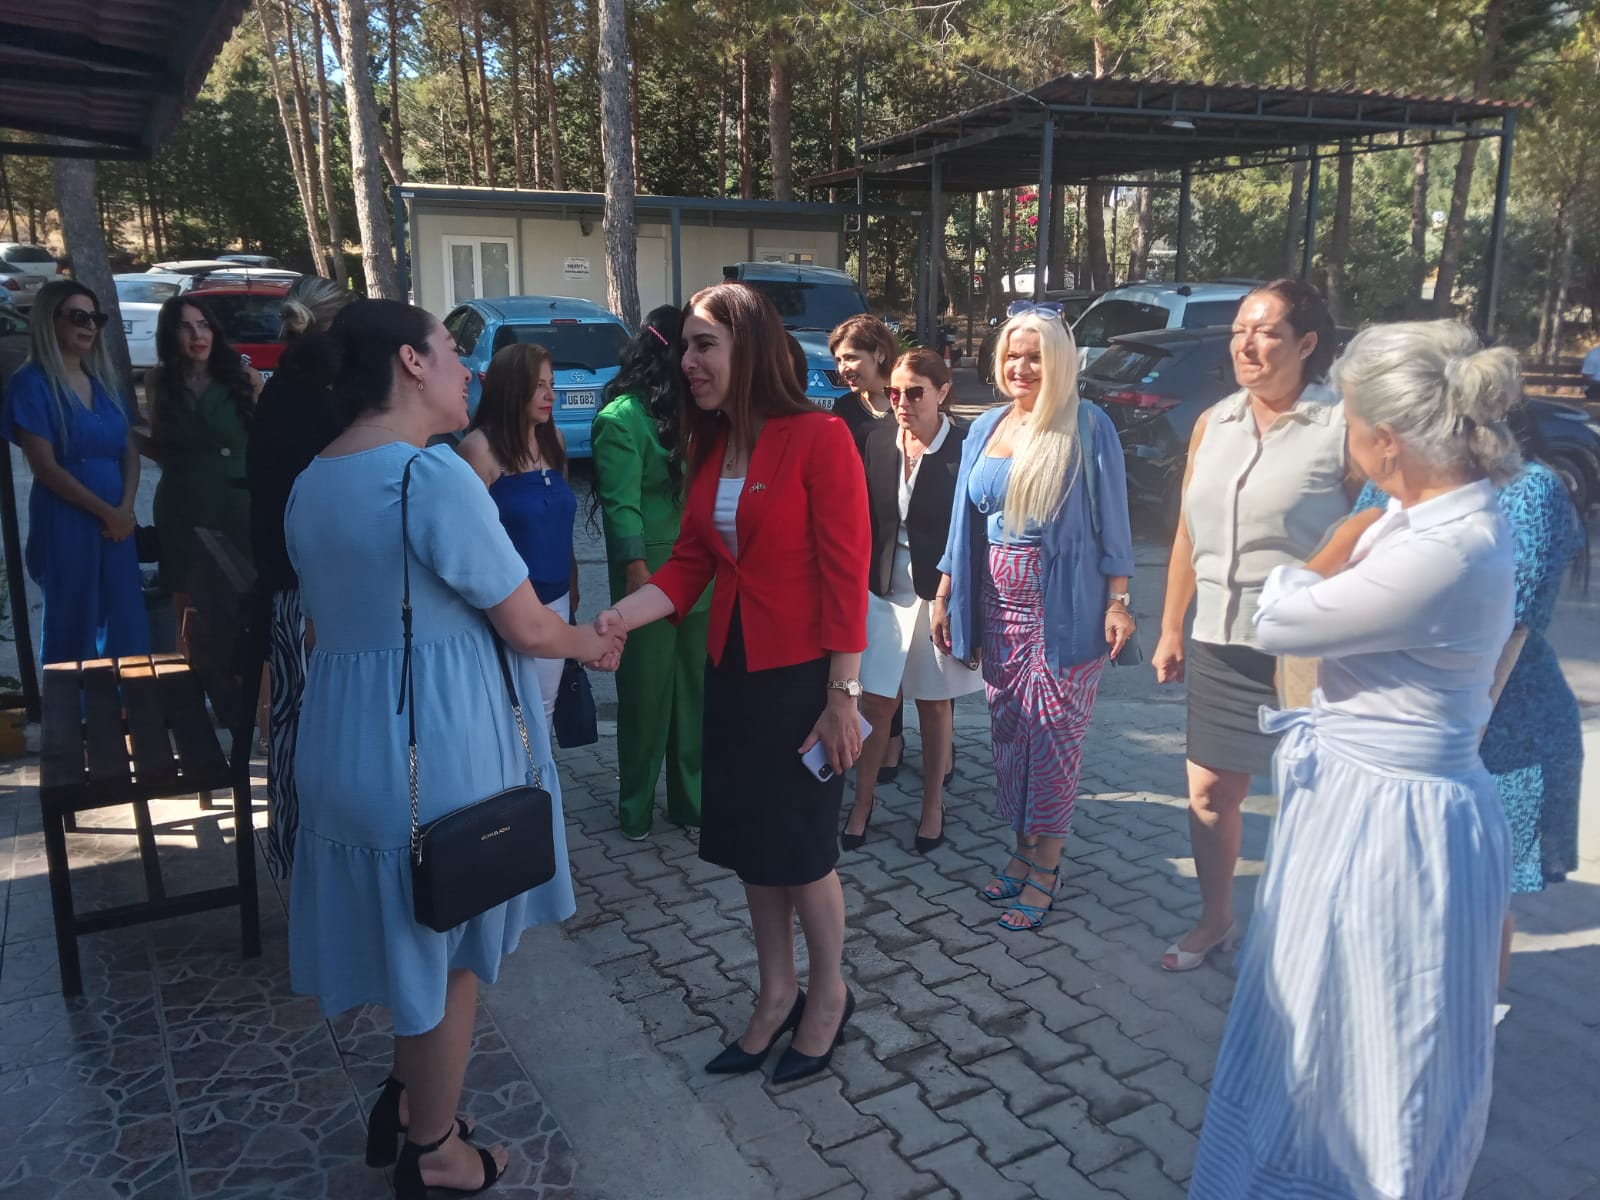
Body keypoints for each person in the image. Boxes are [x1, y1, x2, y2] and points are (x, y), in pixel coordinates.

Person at [284, 299, 620, 1196]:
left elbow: (319, 627)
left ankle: (406, 1103)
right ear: (410, 361)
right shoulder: (428, 476)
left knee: (412, 947)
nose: (466, 369)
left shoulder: (313, 479)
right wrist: (593, 641)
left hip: (346, 737)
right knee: (455, 952)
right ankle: (434, 1148)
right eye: (450, 351)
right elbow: (528, 625)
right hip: (433, 745)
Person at [1189, 320, 1520, 1199]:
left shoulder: (1446, 546)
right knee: (1316, 1007)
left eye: (1351, 421)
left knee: (1375, 1028)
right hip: (1363, 802)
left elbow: (1279, 619)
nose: (1346, 439)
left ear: (1387, 438)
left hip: (1392, 824)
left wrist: (1330, 548)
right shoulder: (1429, 520)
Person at [601, 282, 869, 1084]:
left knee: (803, 852)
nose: (686, 362)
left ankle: (829, 994)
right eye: (684, 346)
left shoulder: (820, 438)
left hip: (803, 680)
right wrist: (617, 620)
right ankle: (775, 994)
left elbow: (846, 574)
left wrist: (843, 697)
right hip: (733, 671)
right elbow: (690, 565)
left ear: (747, 348)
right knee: (756, 850)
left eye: (703, 345)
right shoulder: (713, 447)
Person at [1150, 278, 1351, 972]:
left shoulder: (1342, 426)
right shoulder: (1214, 422)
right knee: (1210, 793)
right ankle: (1217, 920)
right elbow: (1186, 532)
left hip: (1308, 649)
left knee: (1311, 798)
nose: (1246, 343)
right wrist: (1171, 626)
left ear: (1307, 342)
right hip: (1219, 641)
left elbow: (1370, 526)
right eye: (1239, 330)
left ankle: (1306, 938)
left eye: (1265, 331)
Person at [932, 309, 1135, 932]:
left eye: (1035, 356)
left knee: (1052, 743)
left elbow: (1115, 522)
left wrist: (1118, 601)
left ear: (1060, 361)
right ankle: (1022, 850)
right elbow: (962, 522)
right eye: (1013, 355)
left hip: (1063, 614)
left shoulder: (1087, 425)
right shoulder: (986, 425)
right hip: (996, 612)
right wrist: (945, 591)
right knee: (1010, 736)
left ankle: (1047, 868)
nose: (1021, 367)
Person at [1355, 440, 1587, 894]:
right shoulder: (1388, 474)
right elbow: (1349, 577)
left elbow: (1512, 623)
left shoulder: (1530, 486)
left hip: (1500, 732)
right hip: (1400, 727)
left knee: (1476, 903)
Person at [841, 348, 981, 855]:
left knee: (934, 705)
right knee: (876, 700)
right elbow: (861, 520)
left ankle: (932, 806)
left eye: (914, 392)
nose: (901, 402)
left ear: (943, 392)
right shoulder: (877, 440)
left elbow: (974, 532)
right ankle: (862, 804)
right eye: (894, 392)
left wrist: (955, 595)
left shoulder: (966, 447)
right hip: (882, 590)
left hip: (938, 591)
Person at [247, 274, 354, 878]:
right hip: (301, 595)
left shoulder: (286, 389)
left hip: (285, 583)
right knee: (312, 728)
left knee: (297, 723)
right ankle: (310, 864)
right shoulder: (318, 405)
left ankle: (297, 852)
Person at [591, 306, 709, 840]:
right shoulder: (620, 417)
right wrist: (636, 573)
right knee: (645, 697)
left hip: (698, 574)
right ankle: (635, 806)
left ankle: (691, 801)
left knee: (694, 695)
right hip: (648, 578)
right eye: (688, 348)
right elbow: (621, 506)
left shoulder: (695, 409)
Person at [0, 280, 148, 664]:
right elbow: (45, 467)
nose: (90, 326)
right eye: (79, 317)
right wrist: (108, 513)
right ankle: (73, 701)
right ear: (50, 320)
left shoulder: (104, 381)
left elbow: (129, 451)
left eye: (96, 318)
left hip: (117, 523)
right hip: (66, 518)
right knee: (72, 622)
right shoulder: (30, 384)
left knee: (125, 620)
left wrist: (124, 510)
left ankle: (126, 699)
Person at [458, 343, 580, 725]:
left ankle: (540, 768)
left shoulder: (554, 442)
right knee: (506, 717)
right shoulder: (478, 450)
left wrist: (573, 581)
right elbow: (467, 542)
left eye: (552, 384)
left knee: (542, 715)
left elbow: (561, 520)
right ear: (512, 387)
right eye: (539, 385)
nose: (550, 395)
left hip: (557, 599)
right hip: (506, 607)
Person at [147, 294, 261, 647]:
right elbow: (160, 446)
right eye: (185, 327)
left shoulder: (245, 378)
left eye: (204, 325)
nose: (198, 335)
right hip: (181, 502)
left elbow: (268, 444)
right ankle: (189, 672)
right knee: (185, 601)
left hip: (236, 502)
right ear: (170, 335)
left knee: (243, 599)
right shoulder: (158, 381)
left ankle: (246, 678)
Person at [829, 311, 915, 783]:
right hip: (856, 542)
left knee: (912, 651)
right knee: (876, 649)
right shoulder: (843, 411)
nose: (844, 368)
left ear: (879, 353)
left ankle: (913, 741)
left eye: (851, 357)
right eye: (839, 360)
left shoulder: (908, 400)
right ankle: (881, 735)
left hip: (906, 545)